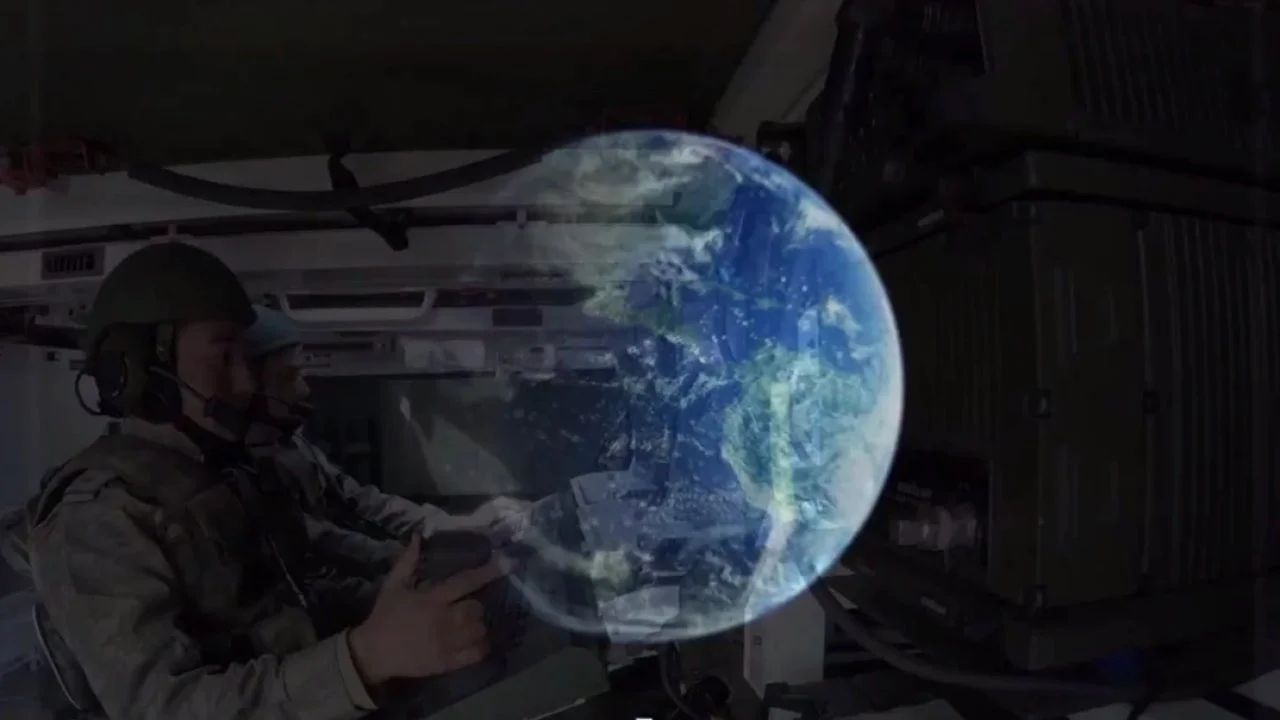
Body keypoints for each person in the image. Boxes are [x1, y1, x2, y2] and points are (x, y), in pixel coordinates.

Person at [25, 241, 502, 720]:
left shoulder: (226, 473)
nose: (247, 383)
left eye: (247, 359)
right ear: (135, 370)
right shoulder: (97, 515)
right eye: (224, 357)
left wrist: (405, 603)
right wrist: (365, 658)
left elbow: (294, 601)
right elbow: (165, 708)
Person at [242, 304, 532, 578]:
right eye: (289, 377)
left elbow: (362, 501)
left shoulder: (293, 444)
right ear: (249, 388)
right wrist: (415, 560)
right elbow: (322, 542)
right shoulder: (244, 473)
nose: (304, 390)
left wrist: (452, 524)